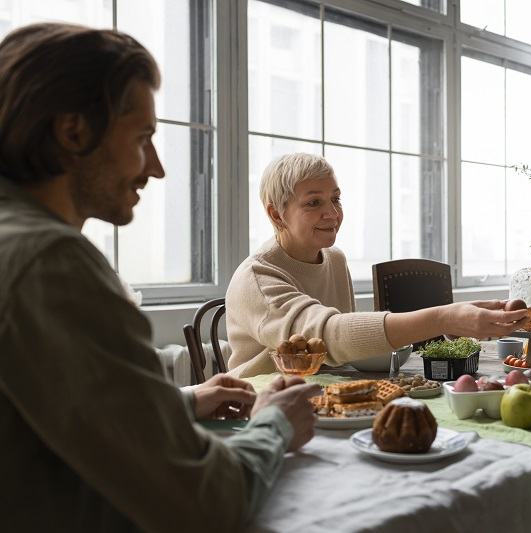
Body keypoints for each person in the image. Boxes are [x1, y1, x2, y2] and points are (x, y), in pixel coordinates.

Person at [0, 23, 319, 532]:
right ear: (73, 131)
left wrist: (178, 403)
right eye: (143, 138)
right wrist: (274, 426)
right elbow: (204, 503)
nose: (157, 167)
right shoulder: (51, 262)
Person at [227, 153, 529, 377]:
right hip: (258, 407)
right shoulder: (257, 277)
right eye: (313, 202)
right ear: (276, 214)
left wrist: (455, 323)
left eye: (336, 199)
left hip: (323, 395)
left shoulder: (334, 259)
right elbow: (324, 339)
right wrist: (444, 318)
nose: (332, 213)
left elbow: (343, 350)